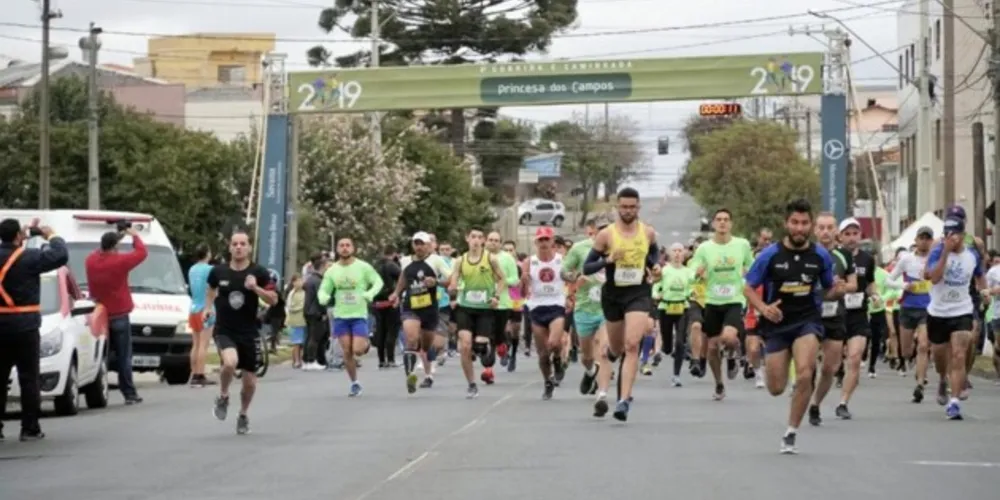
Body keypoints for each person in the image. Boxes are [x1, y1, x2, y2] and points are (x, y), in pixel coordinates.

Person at [743, 199, 835, 454]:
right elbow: (748, 287)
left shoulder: (821, 255)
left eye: (805, 223)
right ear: (786, 224)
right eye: (795, 222)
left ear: (811, 226)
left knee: (805, 372)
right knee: (776, 388)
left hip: (807, 321)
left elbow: (829, 287)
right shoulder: (770, 255)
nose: (799, 228)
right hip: (777, 324)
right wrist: (763, 308)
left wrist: (840, 291)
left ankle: (791, 431)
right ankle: (793, 388)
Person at [583, 187, 660, 421]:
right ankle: (610, 356)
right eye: (624, 207)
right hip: (613, 295)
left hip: (638, 292)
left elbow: (653, 254)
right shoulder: (606, 235)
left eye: (632, 207)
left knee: (632, 344)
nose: (628, 211)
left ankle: (623, 401)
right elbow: (587, 267)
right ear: (618, 207)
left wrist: (654, 267)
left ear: (638, 208)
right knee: (616, 348)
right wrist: (608, 260)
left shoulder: (647, 233)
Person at [0, 218, 68, 441]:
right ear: (19, 237)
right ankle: (29, 428)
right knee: (29, 378)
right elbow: (60, 255)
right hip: (25, 326)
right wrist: (50, 234)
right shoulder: (29, 258)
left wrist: (22, 237)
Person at [205, 231, 278, 435]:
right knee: (229, 362)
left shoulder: (260, 272)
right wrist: (208, 307)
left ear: (249, 248)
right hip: (225, 329)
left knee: (249, 381)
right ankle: (223, 395)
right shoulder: (218, 271)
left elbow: (273, 300)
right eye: (235, 244)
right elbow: (210, 288)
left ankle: (243, 414)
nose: (238, 247)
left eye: (242, 244)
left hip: (249, 331)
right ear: (230, 247)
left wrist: (255, 289)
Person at [689, 208, 754, 401]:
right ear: (714, 224)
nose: (723, 223)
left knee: (729, 337)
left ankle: (733, 356)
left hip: (734, 299)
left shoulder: (741, 245)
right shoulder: (704, 248)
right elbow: (693, 267)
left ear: (731, 224)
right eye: (719, 220)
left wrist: (752, 278)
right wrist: (697, 272)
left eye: (726, 219)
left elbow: (752, 266)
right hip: (711, 301)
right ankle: (719, 383)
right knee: (711, 348)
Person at [925, 216, 983, 419]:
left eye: (954, 234)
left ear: (963, 235)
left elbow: (980, 276)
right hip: (938, 312)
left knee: (959, 354)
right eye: (947, 233)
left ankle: (955, 402)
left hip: (962, 310)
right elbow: (933, 277)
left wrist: (984, 292)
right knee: (940, 358)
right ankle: (942, 378)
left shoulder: (972, 255)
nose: (951, 237)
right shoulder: (937, 251)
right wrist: (945, 253)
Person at [85, 223, 149, 405]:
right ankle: (129, 393)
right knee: (124, 356)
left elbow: (101, 252)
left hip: (100, 314)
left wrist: (117, 236)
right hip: (119, 314)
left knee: (101, 356)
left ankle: (98, 391)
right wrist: (133, 234)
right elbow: (141, 253)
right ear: (115, 247)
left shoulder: (91, 261)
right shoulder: (120, 262)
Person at [318, 237, 384, 397]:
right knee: (347, 351)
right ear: (337, 249)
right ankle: (354, 383)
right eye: (341, 246)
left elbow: (378, 282)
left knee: (358, 350)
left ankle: (366, 344)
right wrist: (323, 297)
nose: (345, 248)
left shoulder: (363, 267)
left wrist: (370, 293)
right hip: (341, 315)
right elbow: (324, 288)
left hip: (359, 314)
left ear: (353, 248)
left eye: (348, 245)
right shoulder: (332, 270)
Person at [808, 213, 856, 426]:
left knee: (830, 367)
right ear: (815, 231)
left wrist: (841, 286)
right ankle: (803, 394)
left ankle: (815, 404)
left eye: (830, 228)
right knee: (807, 365)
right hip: (810, 315)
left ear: (836, 231)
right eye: (821, 228)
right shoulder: (808, 254)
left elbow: (854, 285)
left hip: (835, 314)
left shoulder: (844, 255)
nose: (826, 232)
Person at [449, 228, 507, 399]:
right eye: (473, 237)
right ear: (467, 239)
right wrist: (453, 296)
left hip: (485, 308)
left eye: (479, 237)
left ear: (483, 241)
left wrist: (496, 296)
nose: (476, 240)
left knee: (479, 346)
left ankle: (484, 347)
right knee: (465, 345)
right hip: (465, 307)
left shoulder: (490, 259)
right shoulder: (461, 260)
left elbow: (502, 279)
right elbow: (454, 279)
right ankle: (471, 384)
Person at [389, 232, 444, 393]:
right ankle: (410, 376)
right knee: (411, 339)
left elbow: (450, 280)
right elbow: (403, 278)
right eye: (416, 243)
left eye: (422, 244)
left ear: (428, 245)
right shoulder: (405, 261)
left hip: (429, 309)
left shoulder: (436, 261)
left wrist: (436, 282)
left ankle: (427, 372)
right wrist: (396, 293)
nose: (419, 247)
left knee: (425, 345)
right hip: (411, 306)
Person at [561, 219, 609, 398]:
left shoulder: (620, 251)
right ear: (596, 233)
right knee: (587, 356)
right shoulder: (580, 248)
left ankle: (602, 394)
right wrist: (575, 278)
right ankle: (590, 372)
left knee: (603, 348)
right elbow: (563, 271)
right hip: (584, 308)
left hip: (607, 308)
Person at [889, 226, 934, 400]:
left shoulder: (935, 259)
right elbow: (888, 279)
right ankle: (914, 359)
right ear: (915, 240)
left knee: (924, 345)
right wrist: (904, 286)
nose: (924, 241)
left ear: (931, 241)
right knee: (906, 352)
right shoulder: (906, 259)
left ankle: (920, 384)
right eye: (921, 238)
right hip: (908, 307)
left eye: (927, 238)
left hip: (927, 308)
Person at [524, 226, 568, 400]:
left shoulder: (561, 260)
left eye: (546, 240)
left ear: (552, 242)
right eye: (540, 240)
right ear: (536, 242)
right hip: (536, 306)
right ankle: (547, 382)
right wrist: (523, 281)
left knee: (554, 343)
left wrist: (571, 293)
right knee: (542, 354)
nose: (543, 243)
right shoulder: (530, 261)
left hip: (556, 304)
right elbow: (522, 291)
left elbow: (569, 278)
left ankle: (557, 359)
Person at [653, 243, 694, 388]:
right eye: (674, 251)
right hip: (666, 307)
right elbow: (656, 285)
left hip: (683, 307)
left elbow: (692, 286)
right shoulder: (664, 271)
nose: (677, 253)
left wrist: (691, 293)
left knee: (680, 342)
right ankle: (666, 348)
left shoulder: (688, 272)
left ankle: (676, 375)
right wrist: (657, 294)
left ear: (684, 254)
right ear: (670, 254)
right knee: (668, 347)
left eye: (680, 251)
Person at [187, 244, 215, 387]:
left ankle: (193, 373)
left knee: (196, 344)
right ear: (207, 254)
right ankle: (200, 374)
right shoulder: (210, 269)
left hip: (193, 307)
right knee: (204, 345)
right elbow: (214, 289)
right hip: (206, 308)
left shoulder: (192, 269)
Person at [373, 245, 402, 368]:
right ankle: (391, 359)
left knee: (381, 330)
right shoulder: (392, 265)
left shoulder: (375, 266)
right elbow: (402, 278)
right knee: (392, 330)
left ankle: (381, 360)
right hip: (390, 300)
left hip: (377, 302)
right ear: (394, 253)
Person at [302, 253, 329, 371]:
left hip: (308, 311)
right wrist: (324, 312)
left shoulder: (309, 279)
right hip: (316, 312)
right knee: (315, 337)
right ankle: (312, 360)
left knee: (309, 336)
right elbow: (321, 298)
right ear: (322, 267)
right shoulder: (318, 281)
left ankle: (307, 360)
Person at [285, 274, 307, 369]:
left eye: (301, 280)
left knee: (302, 342)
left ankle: (300, 359)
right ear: (293, 282)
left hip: (303, 320)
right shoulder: (291, 293)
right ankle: (296, 361)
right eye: (298, 281)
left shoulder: (304, 292)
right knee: (296, 342)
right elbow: (290, 307)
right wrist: (301, 306)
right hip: (294, 321)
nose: (300, 282)